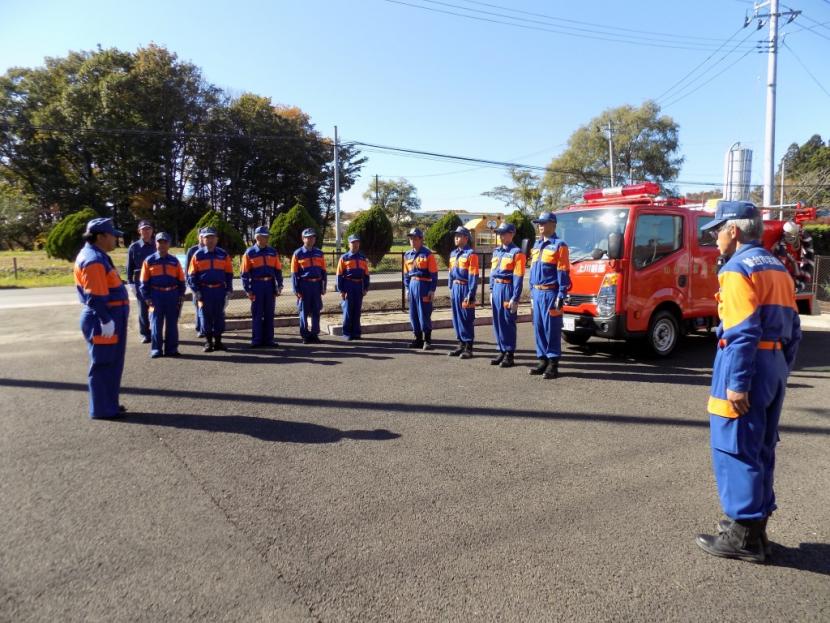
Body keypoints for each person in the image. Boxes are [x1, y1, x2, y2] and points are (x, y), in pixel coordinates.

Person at [695, 200, 802, 563]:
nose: (715, 237)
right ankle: (757, 532)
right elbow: (795, 331)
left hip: (747, 363)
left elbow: (741, 332)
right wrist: (780, 369)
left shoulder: (737, 268)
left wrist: (738, 382)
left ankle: (741, 536)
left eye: (718, 229)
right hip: (772, 363)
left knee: (735, 445)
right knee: (761, 446)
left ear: (734, 231)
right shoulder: (778, 268)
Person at [73, 218, 130, 419]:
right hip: (104, 317)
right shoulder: (94, 260)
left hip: (111, 316)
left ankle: (109, 404)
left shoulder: (98, 255)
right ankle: (103, 409)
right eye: (112, 235)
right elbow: (96, 296)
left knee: (112, 364)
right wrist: (105, 319)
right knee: (104, 364)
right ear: (101, 236)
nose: (115, 239)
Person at [528, 211, 571, 380]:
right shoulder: (537, 245)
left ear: (553, 225)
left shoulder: (560, 245)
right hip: (537, 292)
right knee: (538, 327)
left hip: (551, 293)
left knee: (551, 329)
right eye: (539, 223)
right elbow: (532, 271)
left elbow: (563, 271)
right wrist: (531, 292)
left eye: (544, 223)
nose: (540, 225)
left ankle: (553, 363)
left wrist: (561, 294)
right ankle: (542, 360)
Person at [139, 232, 186, 358]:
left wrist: (181, 294)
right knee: (155, 324)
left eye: (165, 242)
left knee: (172, 324)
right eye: (160, 242)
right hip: (156, 296)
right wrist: (147, 297)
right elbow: (143, 282)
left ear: (169, 244)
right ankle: (156, 350)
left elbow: (181, 279)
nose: (162, 245)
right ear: (156, 243)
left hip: (172, 295)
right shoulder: (149, 261)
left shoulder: (174, 261)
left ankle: (171, 349)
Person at [187, 227, 233, 352]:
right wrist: (196, 291)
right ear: (203, 239)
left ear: (216, 239)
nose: (210, 240)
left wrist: (228, 290)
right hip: (204, 291)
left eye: (212, 237)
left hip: (219, 291)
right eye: (207, 237)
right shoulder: (198, 255)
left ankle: (218, 342)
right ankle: (208, 342)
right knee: (205, 316)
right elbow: (191, 275)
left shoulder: (223, 255)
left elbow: (229, 274)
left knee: (219, 316)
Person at [489, 223, 526, 368]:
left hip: (507, 288)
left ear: (511, 234)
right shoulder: (496, 251)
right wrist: (491, 290)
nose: (501, 236)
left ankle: (509, 353)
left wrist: (515, 297)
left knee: (507, 322)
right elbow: (492, 273)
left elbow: (518, 276)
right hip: (497, 288)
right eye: (500, 233)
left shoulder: (517, 253)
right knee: (497, 321)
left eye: (504, 233)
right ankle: (501, 349)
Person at [241, 226, 283, 348]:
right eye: (264, 236)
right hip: (257, 285)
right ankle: (257, 340)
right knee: (257, 314)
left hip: (269, 285)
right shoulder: (249, 253)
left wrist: (279, 285)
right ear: (257, 237)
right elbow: (244, 273)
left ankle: (269, 340)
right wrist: (247, 289)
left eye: (267, 236)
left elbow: (278, 270)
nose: (267, 238)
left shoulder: (273, 252)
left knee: (270, 313)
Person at [403, 228, 439, 350]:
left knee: (424, 313)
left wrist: (432, 290)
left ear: (421, 239)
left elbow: (434, 274)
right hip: (412, 285)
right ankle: (418, 339)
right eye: (411, 238)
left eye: (415, 238)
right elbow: (406, 275)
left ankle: (427, 340)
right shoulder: (407, 255)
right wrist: (407, 288)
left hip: (424, 286)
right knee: (413, 314)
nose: (412, 241)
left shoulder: (428, 254)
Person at [447, 226, 479, 359]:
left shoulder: (471, 254)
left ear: (466, 238)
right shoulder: (453, 254)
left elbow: (473, 275)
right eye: (455, 235)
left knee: (466, 318)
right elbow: (450, 273)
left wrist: (471, 293)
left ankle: (468, 347)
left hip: (465, 288)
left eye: (459, 235)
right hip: (455, 288)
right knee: (456, 317)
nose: (456, 238)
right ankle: (460, 344)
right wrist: (450, 288)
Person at [291, 228, 327, 344]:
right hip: (304, 285)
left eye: (313, 237)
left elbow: (323, 271)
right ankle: (305, 335)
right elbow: (294, 273)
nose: (311, 239)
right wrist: (296, 289)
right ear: (303, 239)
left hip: (316, 285)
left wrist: (323, 286)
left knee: (316, 310)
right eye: (308, 237)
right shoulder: (298, 254)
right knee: (304, 312)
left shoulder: (319, 253)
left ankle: (315, 334)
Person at [126, 220, 156, 343]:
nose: (146, 231)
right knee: (143, 309)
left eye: (148, 229)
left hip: (155, 280)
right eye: (143, 229)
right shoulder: (134, 247)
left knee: (155, 308)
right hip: (140, 281)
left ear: (152, 231)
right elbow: (129, 266)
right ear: (139, 231)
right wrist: (130, 283)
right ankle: (145, 333)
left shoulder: (156, 245)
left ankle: (156, 332)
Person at [336, 234, 370, 340]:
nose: (355, 245)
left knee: (357, 310)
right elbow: (339, 275)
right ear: (349, 244)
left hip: (359, 286)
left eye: (357, 242)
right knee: (347, 311)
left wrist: (365, 288)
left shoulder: (362, 258)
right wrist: (341, 290)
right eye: (353, 243)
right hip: (348, 285)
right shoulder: (344, 258)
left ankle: (356, 333)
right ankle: (347, 333)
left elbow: (366, 274)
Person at [185, 232, 206, 337]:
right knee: (198, 306)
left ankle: (205, 328)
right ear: (198, 237)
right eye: (201, 236)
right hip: (196, 284)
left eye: (204, 236)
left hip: (206, 285)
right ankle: (200, 328)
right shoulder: (192, 250)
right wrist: (189, 284)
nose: (203, 238)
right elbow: (187, 269)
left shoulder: (211, 250)